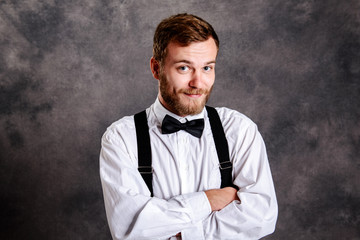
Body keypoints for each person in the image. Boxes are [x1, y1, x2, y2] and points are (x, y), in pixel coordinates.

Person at [100, 13, 278, 240]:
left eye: (207, 68)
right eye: (184, 68)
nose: (197, 83)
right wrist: (209, 200)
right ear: (156, 68)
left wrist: (170, 229)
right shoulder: (121, 138)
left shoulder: (239, 130)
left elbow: (261, 218)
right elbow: (130, 229)